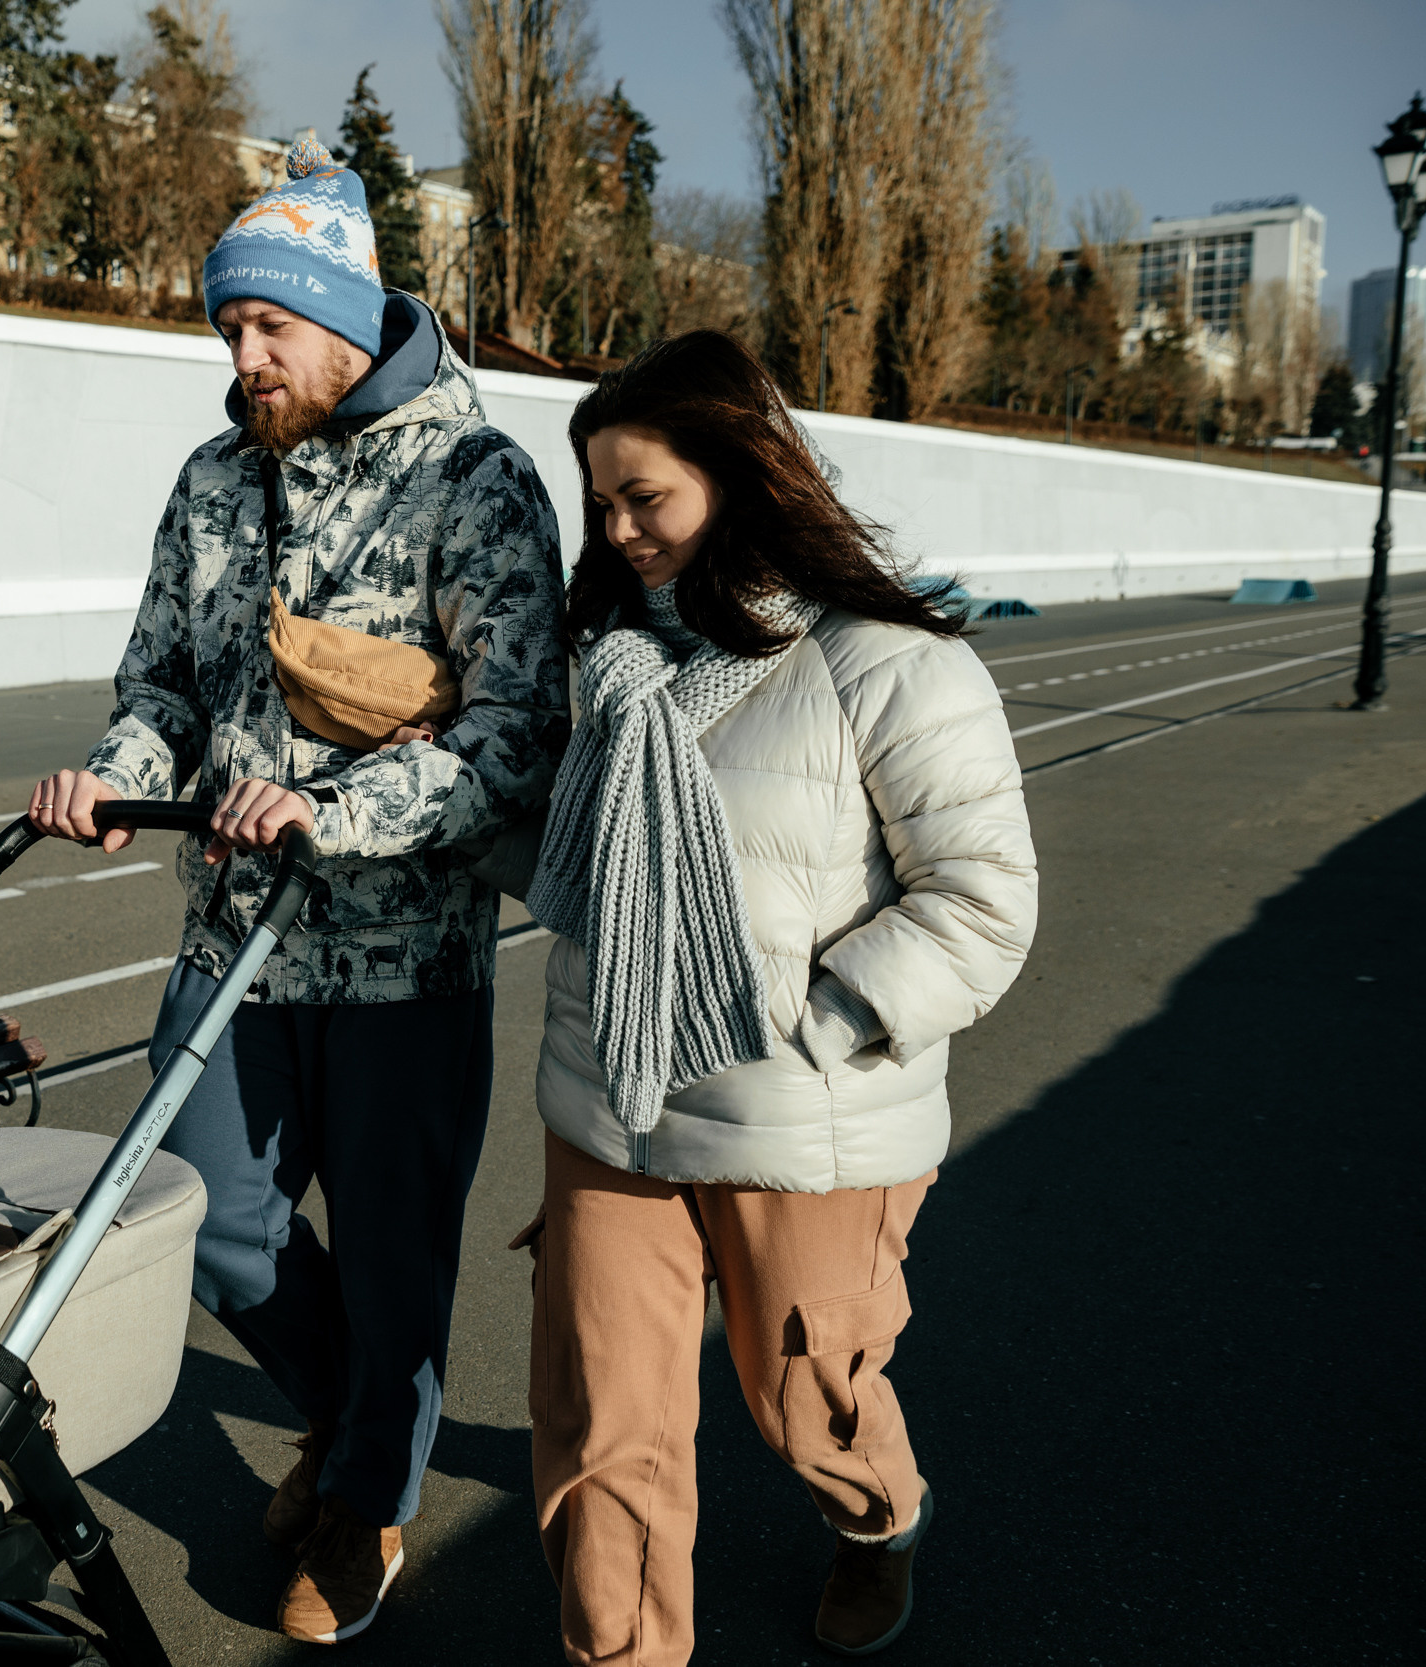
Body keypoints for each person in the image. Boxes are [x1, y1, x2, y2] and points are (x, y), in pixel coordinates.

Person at [30, 136, 570, 1645]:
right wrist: (111, 775)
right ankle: (348, 1428)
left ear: (346, 319)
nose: (242, 355)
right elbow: (162, 686)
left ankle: (367, 1507)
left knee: (399, 1260)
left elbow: (515, 738)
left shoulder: (477, 482)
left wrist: (335, 812)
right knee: (202, 1212)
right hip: (231, 941)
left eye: (267, 326)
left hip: (407, 962)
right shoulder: (213, 483)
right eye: (228, 329)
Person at [517, 332, 1037, 1664]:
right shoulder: (612, 669)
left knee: (807, 1404)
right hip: (609, 1105)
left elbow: (981, 905)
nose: (619, 530)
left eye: (647, 497)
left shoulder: (893, 664)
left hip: (802, 1125)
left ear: (739, 478)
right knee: (604, 1427)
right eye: (603, 502)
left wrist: (809, 1030)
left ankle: (881, 1521)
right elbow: (565, 866)